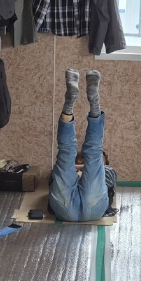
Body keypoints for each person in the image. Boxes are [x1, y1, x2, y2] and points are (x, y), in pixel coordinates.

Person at [48, 69, 117, 222]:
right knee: (76, 152)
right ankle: (89, 103)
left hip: (66, 208)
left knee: (81, 151)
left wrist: (78, 169)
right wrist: (81, 169)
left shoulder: (81, 167)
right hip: (92, 208)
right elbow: (107, 174)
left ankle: (75, 103)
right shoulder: (105, 169)